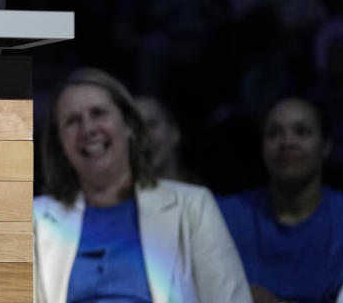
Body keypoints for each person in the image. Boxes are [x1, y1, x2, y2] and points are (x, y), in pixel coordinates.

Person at [34, 67, 250, 302]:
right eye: (72, 121)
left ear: (128, 126)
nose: (88, 129)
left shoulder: (193, 206)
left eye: (99, 114)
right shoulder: (34, 219)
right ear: (60, 144)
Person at [218, 97, 343, 303]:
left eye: (302, 131)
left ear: (326, 146)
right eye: (274, 133)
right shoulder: (224, 216)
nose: (287, 143)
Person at [135, 94, 200, 183]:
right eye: (135, 127)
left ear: (175, 132)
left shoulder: (205, 196)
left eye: (151, 124)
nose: (143, 135)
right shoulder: (116, 195)